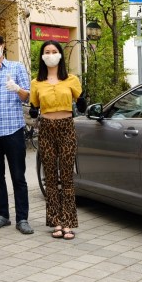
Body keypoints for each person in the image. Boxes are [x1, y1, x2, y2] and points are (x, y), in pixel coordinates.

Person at [0, 31, 34, 234]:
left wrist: (18, 89)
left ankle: (22, 218)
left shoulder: (16, 67)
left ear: (2, 46)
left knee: (18, 176)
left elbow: (28, 97)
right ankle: (2, 215)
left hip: (13, 130)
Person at [29, 40, 84, 240]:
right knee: (51, 177)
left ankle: (68, 221)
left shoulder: (71, 79)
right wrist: (33, 110)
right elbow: (34, 107)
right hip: (46, 128)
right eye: (47, 52)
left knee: (67, 176)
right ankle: (56, 222)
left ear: (60, 55)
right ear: (42, 56)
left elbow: (81, 103)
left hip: (66, 127)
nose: (50, 55)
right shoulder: (36, 82)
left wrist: (83, 101)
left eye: (54, 51)